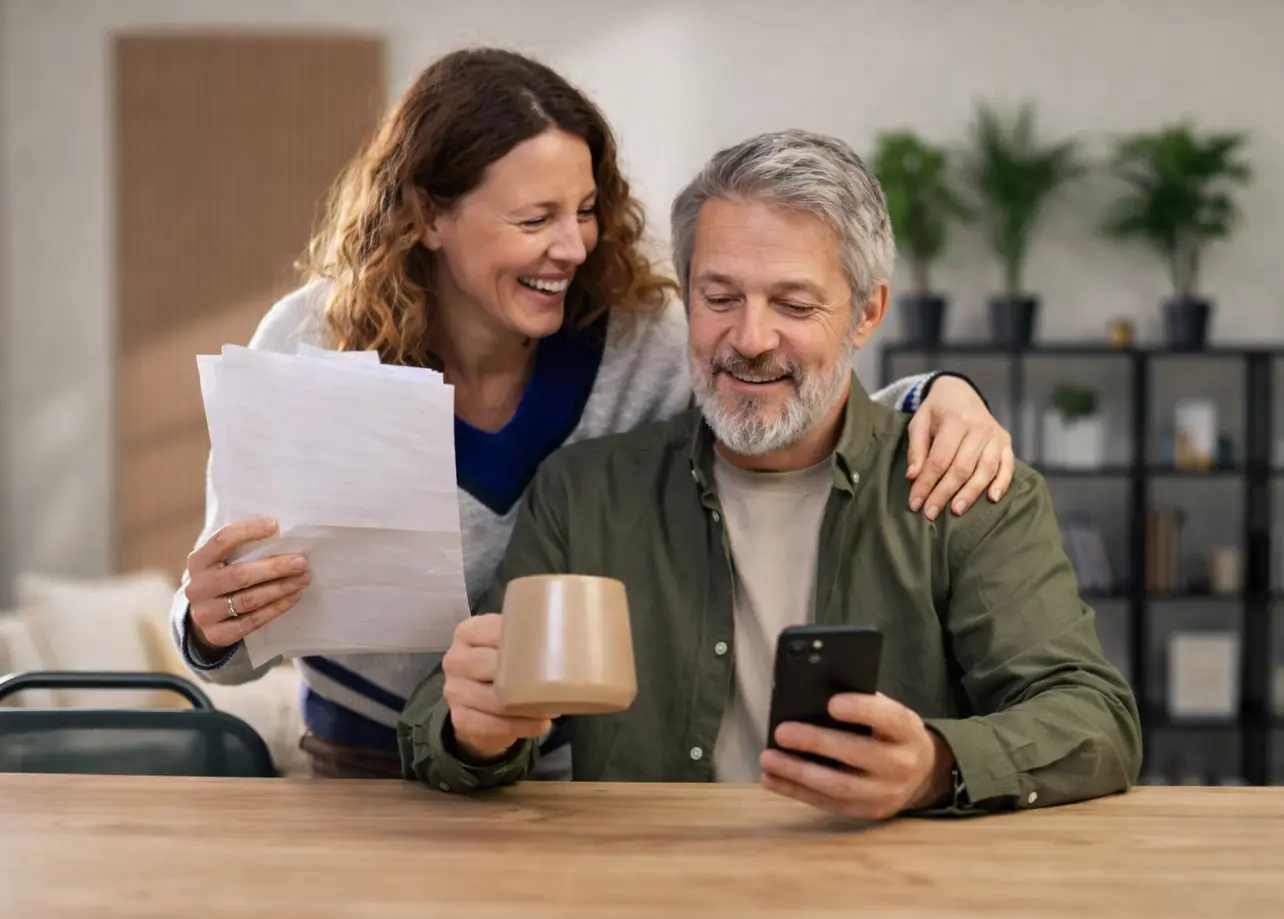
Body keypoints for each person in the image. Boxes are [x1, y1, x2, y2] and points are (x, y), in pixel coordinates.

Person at [169, 49, 1017, 781]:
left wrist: (934, 394)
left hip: (573, 772)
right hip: (360, 762)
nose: (573, 247)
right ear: (428, 215)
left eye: (583, 210)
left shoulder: (643, 342)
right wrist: (206, 627)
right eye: (534, 219)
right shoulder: (309, 341)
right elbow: (232, 635)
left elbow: (785, 402)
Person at [399, 128, 1142, 818]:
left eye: (793, 303)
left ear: (866, 314)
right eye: (719, 299)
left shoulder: (962, 489)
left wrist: (938, 765)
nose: (750, 340)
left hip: (886, 897)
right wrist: (475, 734)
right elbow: (443, 716)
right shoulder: (584, 493)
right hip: (642, 895)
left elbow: (1094, 719)